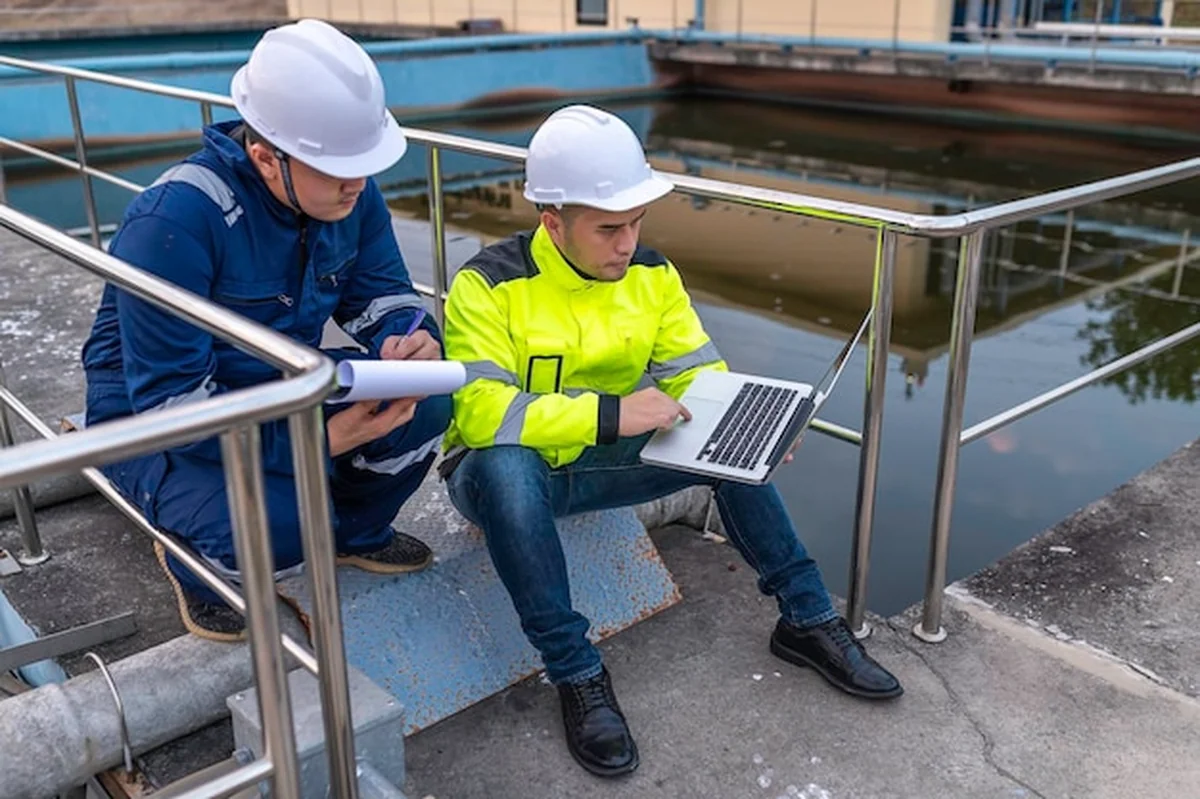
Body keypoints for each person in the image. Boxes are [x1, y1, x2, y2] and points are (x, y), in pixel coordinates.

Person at [439, 104, 903, 778]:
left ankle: (806, 618)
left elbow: (699, 376)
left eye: (635, 223)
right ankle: (576, 673)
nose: (626, 243)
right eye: (607, 228)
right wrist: (610, 414)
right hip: (499, 480)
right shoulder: (488, 284)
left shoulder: (653, 276)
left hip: (594, 466)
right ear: (551, 221)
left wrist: (751, 426)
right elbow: (481, 415)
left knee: (730, 454)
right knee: (507, 464)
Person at [81, 19, 451, 642]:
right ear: (264, 157)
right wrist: (319, 442)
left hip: (277, 381)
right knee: (281, 523)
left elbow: (380, 290)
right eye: (338, 169)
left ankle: (354, 534)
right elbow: (177, 406)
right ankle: (197, 564)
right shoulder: (174, 222)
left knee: (427, 405)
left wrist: (409, 334)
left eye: (363, 164)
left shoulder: (345, 191)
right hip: (153, 418)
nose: (357, 183)